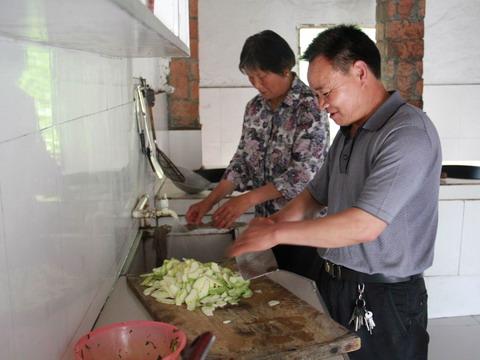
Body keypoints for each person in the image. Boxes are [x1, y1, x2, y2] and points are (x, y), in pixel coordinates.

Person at [228, 25, 442, 360]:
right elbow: (315, 195)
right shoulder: (349, 132)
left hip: (384, 296)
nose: (321, 104)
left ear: (359, 72)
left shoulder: (407, 133)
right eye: (315, 94)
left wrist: (278, 233)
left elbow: (364, 225)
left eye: (326, 92)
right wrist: (272, 224)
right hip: (333, 283)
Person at [186, 29, 329, 278]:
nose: (256, 85)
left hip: (303, 230)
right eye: (251, 78)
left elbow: (302, 175)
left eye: (262, 77)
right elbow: (242, 161)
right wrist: (210, 201)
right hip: (265, 227)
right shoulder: (254, 108)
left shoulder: (310, 107)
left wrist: (248, 199)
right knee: (271, 293)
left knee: (300, 297)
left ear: (285, 69)